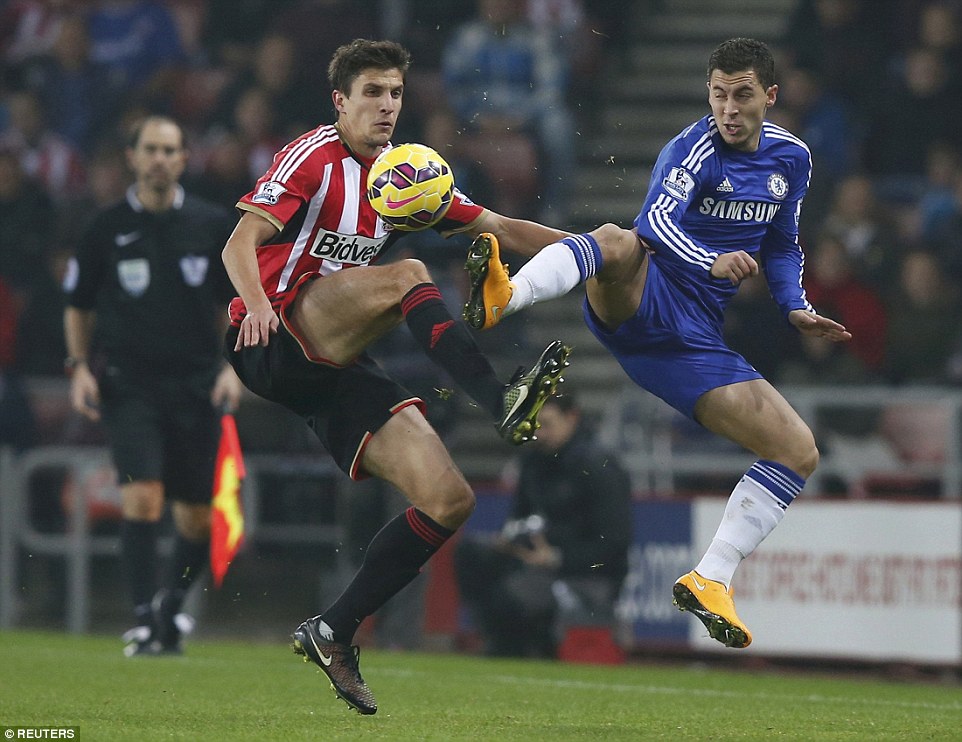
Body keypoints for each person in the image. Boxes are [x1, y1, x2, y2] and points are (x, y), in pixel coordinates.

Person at [463, 38, 852, 650]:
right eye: (718, 93)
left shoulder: (792, 160)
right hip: (645, 298)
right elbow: (658, 227)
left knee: (798, 449)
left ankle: (711, 578)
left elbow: (781, 242)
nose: (727, 107)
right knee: (617, 241)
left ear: (770, 97)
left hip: (692, 344)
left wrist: (795, 304)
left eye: (742, 95)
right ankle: (504, 297)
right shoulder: (691, 150)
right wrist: (712, 259)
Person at [221, 38, 572, 715]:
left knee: (450, 499)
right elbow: (239, 242)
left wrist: (587, 251)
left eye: (396, 94)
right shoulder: (312, 156)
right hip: (272, 334)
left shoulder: (405, 177)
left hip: (335, 362)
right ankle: (499, 397)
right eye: (373, 93)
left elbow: (497, 226)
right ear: (340, 102)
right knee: (412, 274)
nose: (387, 106)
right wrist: (258, 306)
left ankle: (334, 630)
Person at [63, 115, 243, 656]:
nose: (160, 158)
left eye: (170, 150)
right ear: (132, 157)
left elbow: (234, 306)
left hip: (197, 383)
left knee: (195, 514)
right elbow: (78, 304)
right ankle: (142, 618)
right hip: (129, 383)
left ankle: (170, 607)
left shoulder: (212, 226)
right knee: (141, 498)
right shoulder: (104, 226)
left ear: (185, 158)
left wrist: (234, 367)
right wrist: (78, 367)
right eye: (151, 149)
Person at [454, 393, 631, 658]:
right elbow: (519, 514)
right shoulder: (533, 461)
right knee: (470, 555)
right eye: (535, 426)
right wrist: (512, 540)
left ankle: (520, 648)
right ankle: (499, 641)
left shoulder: (600, 466)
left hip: (584, 574)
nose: (540, 434)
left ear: (572, 417)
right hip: (536, 561)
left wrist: (557, 558)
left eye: (547, 424)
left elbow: (615, 543)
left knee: (509, 597)